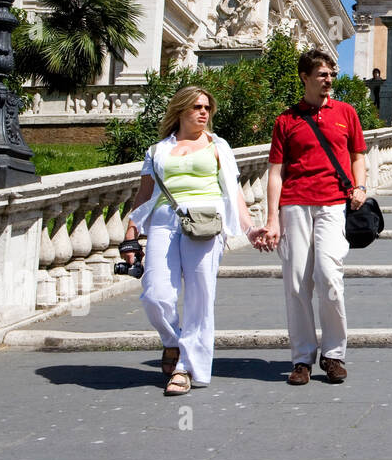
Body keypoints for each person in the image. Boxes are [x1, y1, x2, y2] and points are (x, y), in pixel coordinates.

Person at [123, 86, 265, 395]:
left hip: (205, 222)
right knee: (155, 293)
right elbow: (144, 195)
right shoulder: (157, 150)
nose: (204, 112)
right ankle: (174, 341)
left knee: (200, 297)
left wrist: (249, 227)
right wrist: (130, 235)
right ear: (180, 110)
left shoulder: (218, 146)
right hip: (164, 222)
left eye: (207, 107)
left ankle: (187, 368)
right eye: (197, 106)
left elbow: (233, 192)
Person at [261, 49, 368, 386]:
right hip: (293, 205)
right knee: (296, 283)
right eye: (322, 75)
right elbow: (275, 173)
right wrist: (272, 218)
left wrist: (361, 186)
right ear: (305, 77)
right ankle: (303, 358)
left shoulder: (346, 113)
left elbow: (358, 156)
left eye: (331, 75)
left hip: (333, 203)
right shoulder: (286, 120)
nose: (329, 80)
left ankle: (334, 354)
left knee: (329, 277)